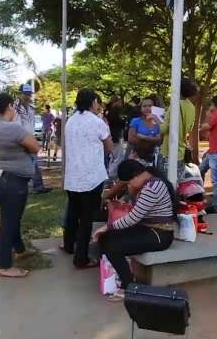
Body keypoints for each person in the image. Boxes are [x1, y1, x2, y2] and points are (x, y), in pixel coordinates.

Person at [94, 160, 177, 301]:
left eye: (128, 183)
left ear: (135, 176)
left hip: (160, 235)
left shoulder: (152, 187)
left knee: (114, 246)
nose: (128, 186)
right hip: (146, 228)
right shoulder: (146, 183)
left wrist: (108, 226)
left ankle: (129, 286)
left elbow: (133, 217)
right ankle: (118, 277)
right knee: (106, 238)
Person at [0, 93, 41, 278]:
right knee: (8, 223)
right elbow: (35, 146)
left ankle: (20, 249)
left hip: (0, 180)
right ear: (10, 106)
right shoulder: (12, 128)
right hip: (12, 182)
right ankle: (5, 266)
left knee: (12, 218)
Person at [62, 89, 113, 269]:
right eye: (97, 102)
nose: (99, 105)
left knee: (73, 212)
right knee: (86, 218)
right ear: (93, 102)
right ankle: (81, 258)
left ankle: (68, 245)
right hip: (91, 177)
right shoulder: (97, 122)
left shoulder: (70, 121)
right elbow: (109, 147)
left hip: (72, 176)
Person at [15, 83, 51, 194]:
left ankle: (38, 186)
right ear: (20, 94)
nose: (27, 96)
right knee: (19, 164)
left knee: (34, 162)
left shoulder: (31, 107)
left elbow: (31, 124)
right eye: (25, 94)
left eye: (29, 94)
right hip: (18, 138)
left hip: (29, 138)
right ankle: (21, 186)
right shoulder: (14, 107)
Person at [159, 78, 198, 180]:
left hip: (167, 151)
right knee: (178, 184)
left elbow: (163, 129)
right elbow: (189, 128)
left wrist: (155, 118)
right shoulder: (192, 107)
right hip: (181, 152)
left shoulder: (175, 105)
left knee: (166, 185)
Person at [199, 95, 217, 213]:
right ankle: (200, 196)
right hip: (214, 151)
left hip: (216, 153)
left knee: (216, 181)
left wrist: (207, 115)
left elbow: (203, 128)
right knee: (200, 170)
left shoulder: (215, 116)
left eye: (211, 104)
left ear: (214, 104)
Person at [104, 95, 127, 179]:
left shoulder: (107, 111)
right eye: (119, 102)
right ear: (116, 102)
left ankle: (111, 173)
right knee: (118, 156)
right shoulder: (114, 112)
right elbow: (117, 123)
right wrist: (124, 122)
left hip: (112, 135)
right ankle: (111, 175)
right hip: (115, 135)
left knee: (113, 156)